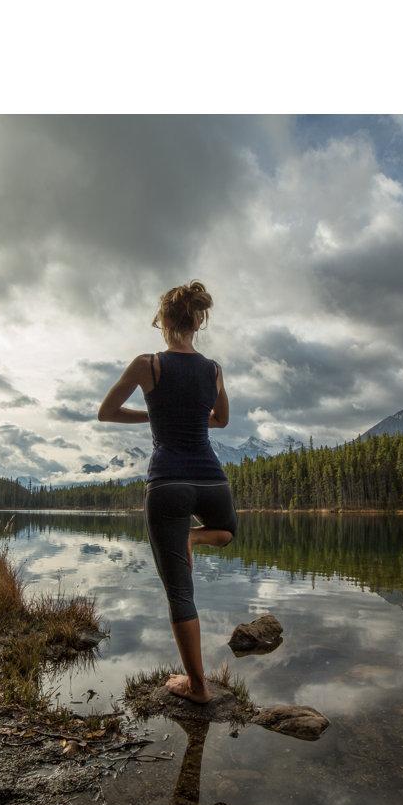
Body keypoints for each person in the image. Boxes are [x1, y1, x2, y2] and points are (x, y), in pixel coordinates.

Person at [98, 281, 237, 704]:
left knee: (180, 592)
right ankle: (196, 536)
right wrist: (188, 417)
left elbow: (107, 412)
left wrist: (153, 415)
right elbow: (221, 421)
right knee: (228, 532)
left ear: (163, 322)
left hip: (168, 484)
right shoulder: (213, 369)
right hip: (212, 481)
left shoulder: (148, 365)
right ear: (198, 321)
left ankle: (196, 688)